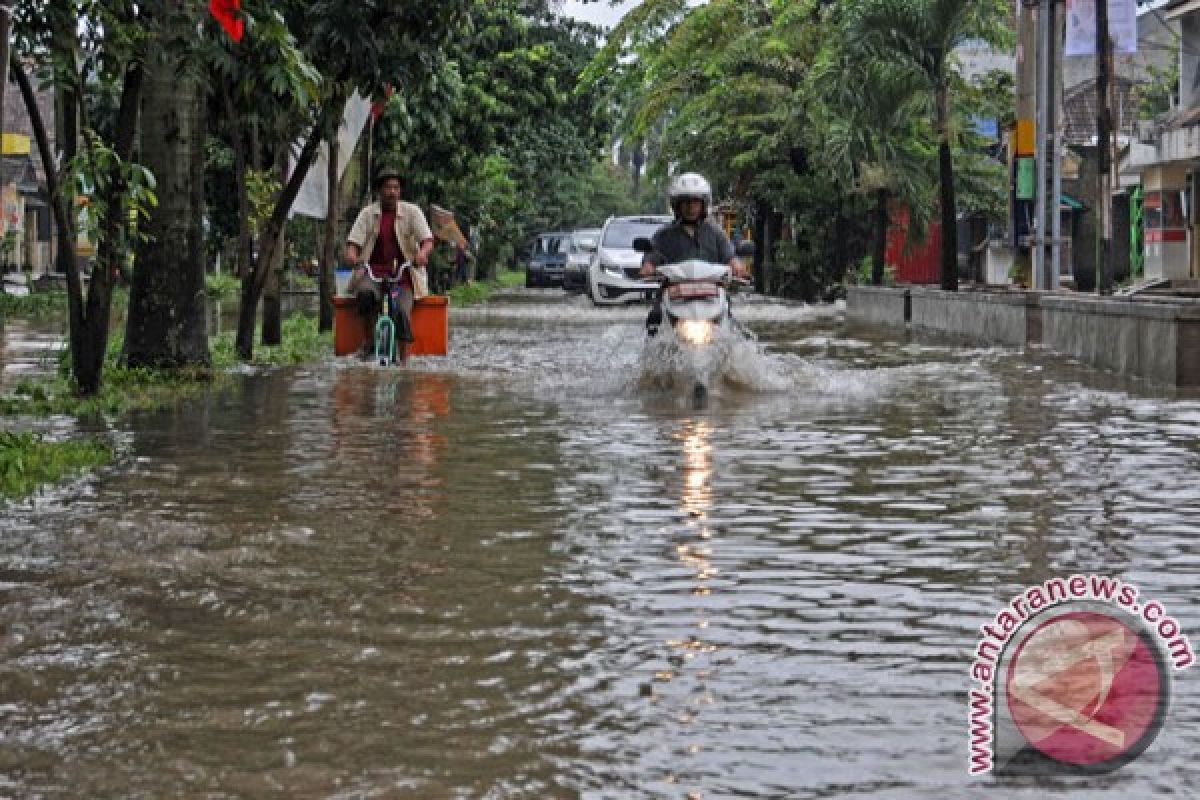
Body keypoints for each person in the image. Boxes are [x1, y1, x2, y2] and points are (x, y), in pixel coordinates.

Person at [639, 172, 748, 335]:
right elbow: (652, 256)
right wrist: (648, 267)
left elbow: (729, 255)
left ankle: (736, 356)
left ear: (704, 205)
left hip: (711, 294)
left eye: (695, 202)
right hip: (674, 295)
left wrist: (738, 267)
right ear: (677, 205)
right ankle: (652, 357)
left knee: (734, 326)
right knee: (654, 320)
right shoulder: (664, 234)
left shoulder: (715, 232)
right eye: (686, 203)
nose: (691, 207)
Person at [345, 166, 435, 363]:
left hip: (403, 275)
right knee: (365, 294)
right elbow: (353, 244)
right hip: (373, 272)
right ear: (380, 190)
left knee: (402, 311)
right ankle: (368, 342)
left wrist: (422, 254)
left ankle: (404, 360)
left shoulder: (412, 212)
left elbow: (427, 240)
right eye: (388, 187)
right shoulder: (367, 214)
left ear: (400, 191)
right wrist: (354, 258)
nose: (392, 192)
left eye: (396, 187)